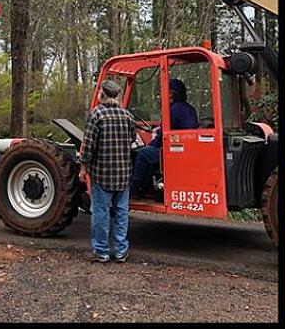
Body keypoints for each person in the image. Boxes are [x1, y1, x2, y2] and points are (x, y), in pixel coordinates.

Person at [79, 79, 136, 263]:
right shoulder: (127, 116)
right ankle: (120, 251)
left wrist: (83, 168)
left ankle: (102, 251)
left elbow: (87, 146)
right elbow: (133, 139)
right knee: (121, 212)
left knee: (101, 212)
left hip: (102, 174)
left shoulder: (97, 115)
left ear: (102, 94)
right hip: (123, 174)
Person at [130, 78, 199, 197]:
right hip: (187, 148)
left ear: (171, 93)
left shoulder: (172, 110)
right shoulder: (189, 109)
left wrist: (151, 145)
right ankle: (146, 188)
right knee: (148, 154)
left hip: (173, 151)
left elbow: (163, 136)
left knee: (142, 154)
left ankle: (134, 189)